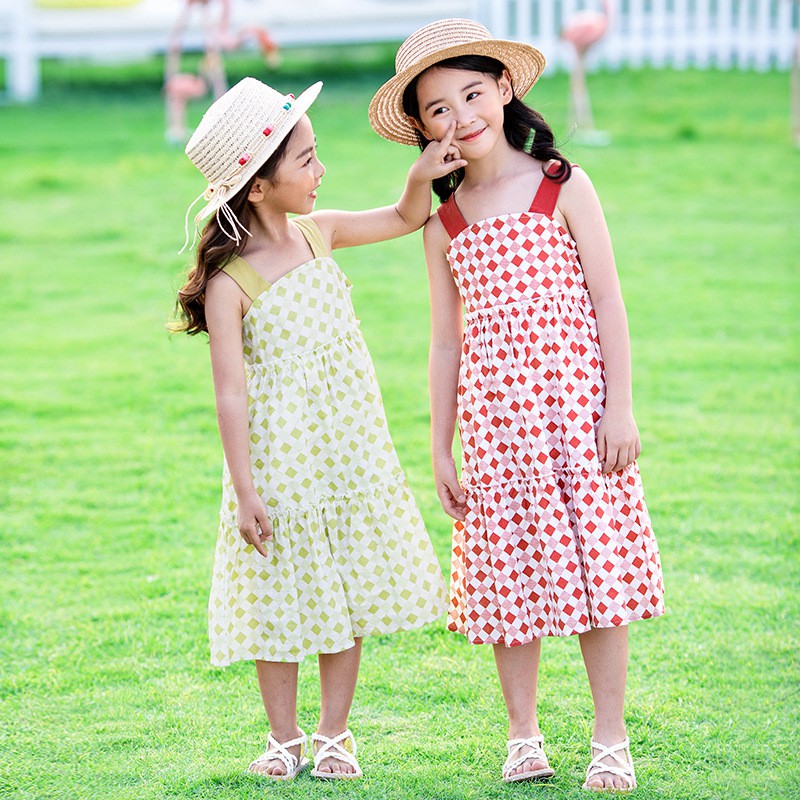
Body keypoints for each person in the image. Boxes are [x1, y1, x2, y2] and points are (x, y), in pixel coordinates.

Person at [369, 18, 665, 792]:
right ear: (422, 129)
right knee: (509, 582)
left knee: (599, 572)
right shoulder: (444, 224)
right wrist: (441, 448)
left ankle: (610, 739)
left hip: (576, 413)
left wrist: (620, 407)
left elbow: (608, 298)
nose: (461, 116)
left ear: (504, 89)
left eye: (473, 94)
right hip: (497, 429)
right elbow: (444, 345)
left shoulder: (561, 184)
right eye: (439, 108)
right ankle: (523, 734)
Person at [173, 77, 465, 781]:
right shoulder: (231, 282)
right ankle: (284, 737)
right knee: (282, 593)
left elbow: (402, 217)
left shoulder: (319, 232)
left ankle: (335, 733)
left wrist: (420, 176)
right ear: (258, 186)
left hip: (348, 448)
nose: (319, 169)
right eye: (304, 159)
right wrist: (244, 490)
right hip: (279, 461)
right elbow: (230, 395)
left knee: (348, 583)